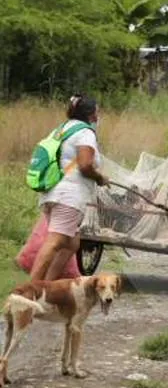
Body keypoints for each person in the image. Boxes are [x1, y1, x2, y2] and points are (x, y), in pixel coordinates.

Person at [30, 94, 109, 281]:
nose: (99, 115)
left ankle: (47, 287)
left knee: (71, 244)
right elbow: (85, 165)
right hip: (69, 196)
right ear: (91, 114)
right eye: (97, 111)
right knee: (55, 242)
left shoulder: (62, 129)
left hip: (52, 191)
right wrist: (100, 178)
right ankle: (30, 292)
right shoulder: (86, 133)